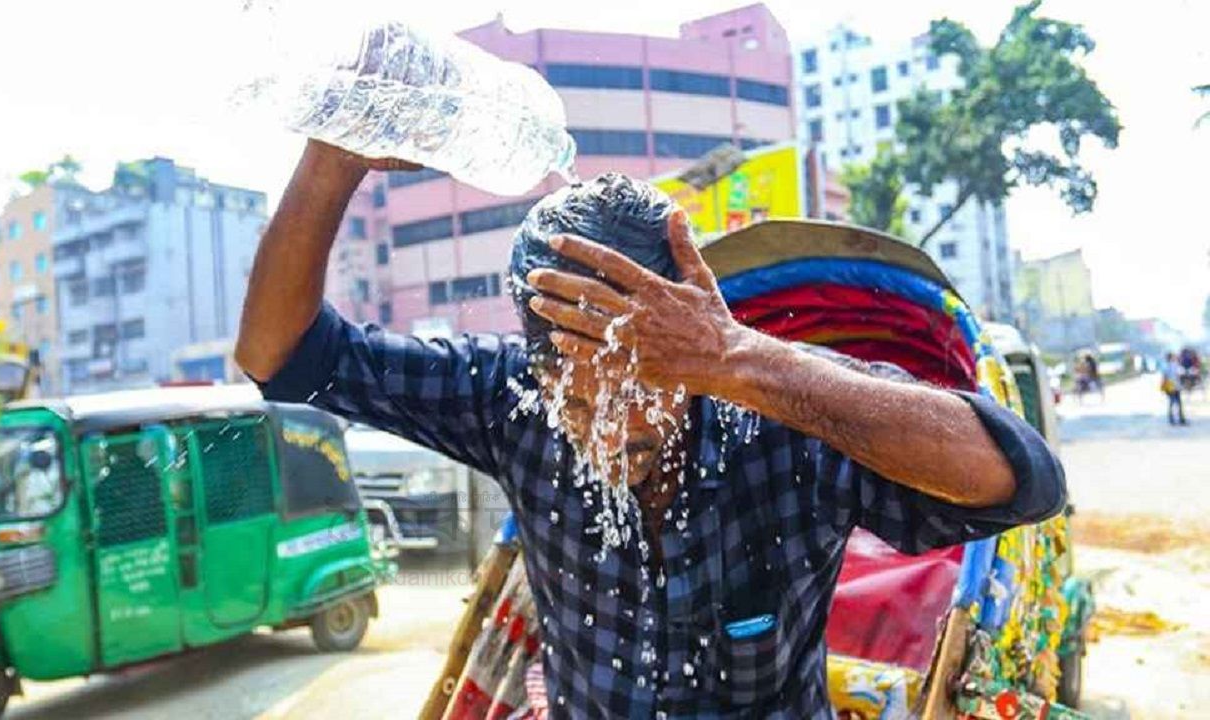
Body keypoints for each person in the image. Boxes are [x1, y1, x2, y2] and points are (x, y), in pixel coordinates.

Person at [236, 142, 1066, 718]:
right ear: (540, 369)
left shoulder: (782, 417)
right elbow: (280, 355)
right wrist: (333, 159)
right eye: (578, 393)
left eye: (645, 381)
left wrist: (738, 358)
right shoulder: (509, 402)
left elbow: (1021, 481)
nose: (613, 422)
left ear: (689, 340)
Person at [1162, 352, 1188, 426]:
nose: (1175, 358)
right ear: (1172, 358)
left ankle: (1172, 419)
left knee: (1172, 403)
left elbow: (1164, 377)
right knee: (1178, 403)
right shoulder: (1176, 365)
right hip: (1175, 387)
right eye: (1174, 357)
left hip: (1170, 387)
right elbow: (1181, 373)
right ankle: (1181, 419)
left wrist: (1165, 388)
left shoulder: (1166, 365)